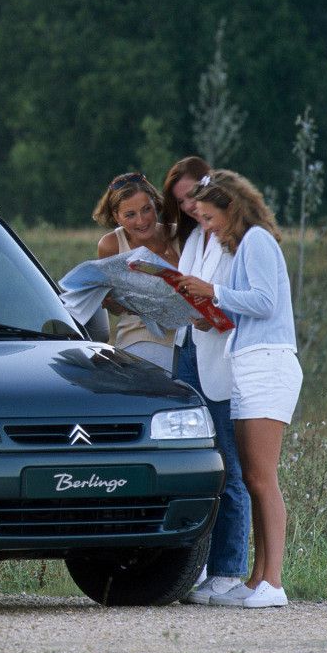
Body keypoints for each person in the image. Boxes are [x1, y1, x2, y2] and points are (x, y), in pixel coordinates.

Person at [176, 170, 301, 609]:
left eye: (210, 218)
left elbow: (265, 302)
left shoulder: (257, 242)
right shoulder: (245, 243)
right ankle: (258, 578)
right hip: (248, 362)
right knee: (252, 476)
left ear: (232, 208)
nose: (206, 227)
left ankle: (274, 580)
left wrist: (215, 291)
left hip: (268, 361)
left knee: (263, 480)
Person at [162, 157, 250, 605]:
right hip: (188, 349)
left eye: (195, 197)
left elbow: (240, 304)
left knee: (230, 466)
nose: (192, 208)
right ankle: (198, 569)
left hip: (220, 356)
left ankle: (230, 569)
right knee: (198, 461)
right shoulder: (196, 237)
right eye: (182, 203)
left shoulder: (239, 242)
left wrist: (209, 305)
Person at [92, 172, 178, 370]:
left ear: (155, 204)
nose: (141, 221)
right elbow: (116, 310)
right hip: (138, 334)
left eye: (146, 209)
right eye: (130, 215)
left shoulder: (177, 236)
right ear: (117, 216)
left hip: (186, 334)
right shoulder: (111, 245)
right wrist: (109, 301)